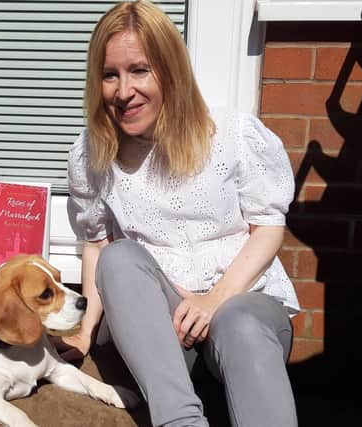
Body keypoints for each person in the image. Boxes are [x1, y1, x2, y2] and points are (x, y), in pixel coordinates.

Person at [53, 1, 300, 426]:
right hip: (166, 337)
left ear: (170, 69)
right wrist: (85, 330)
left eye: (139, 70)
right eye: (110, 74)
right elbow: (96, 247)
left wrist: (214, 300)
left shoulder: (233, 136)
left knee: (239, 322)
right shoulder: (93, 154)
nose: (123, 90)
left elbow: (268, 229)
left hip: (244, 309)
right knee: (119, 256)